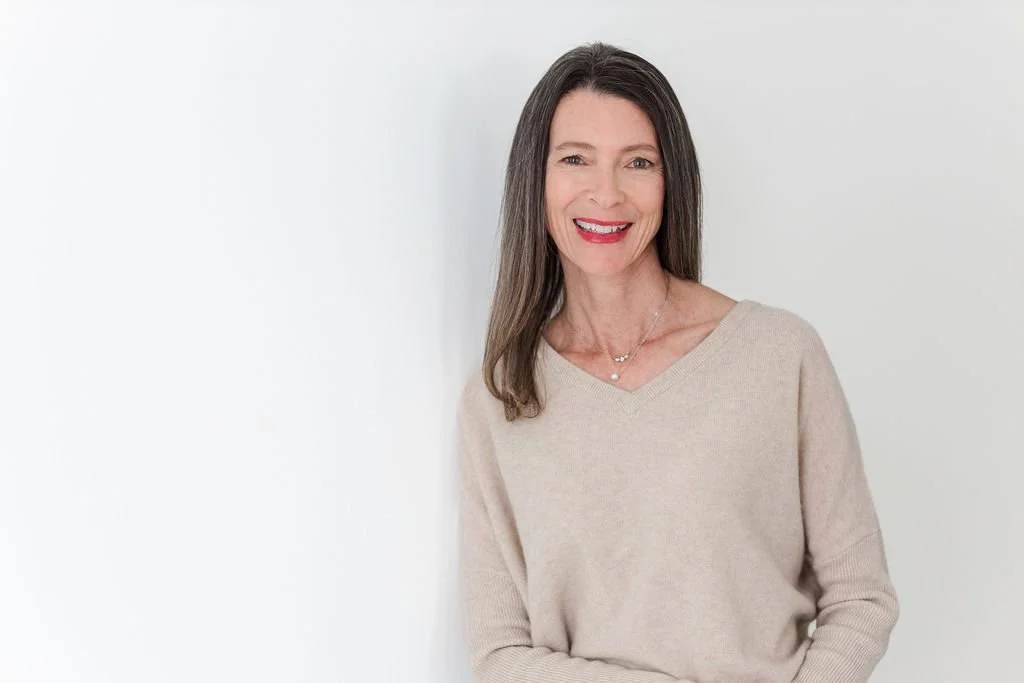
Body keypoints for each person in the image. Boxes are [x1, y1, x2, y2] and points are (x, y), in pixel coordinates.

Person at [455, 42, 899, 683]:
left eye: (637, 162)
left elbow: (863, 598)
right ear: (537, 178)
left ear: (671, 182)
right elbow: (499, 654)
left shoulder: (779, 356)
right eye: (576, 159)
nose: (605, 194)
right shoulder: (500, 399)